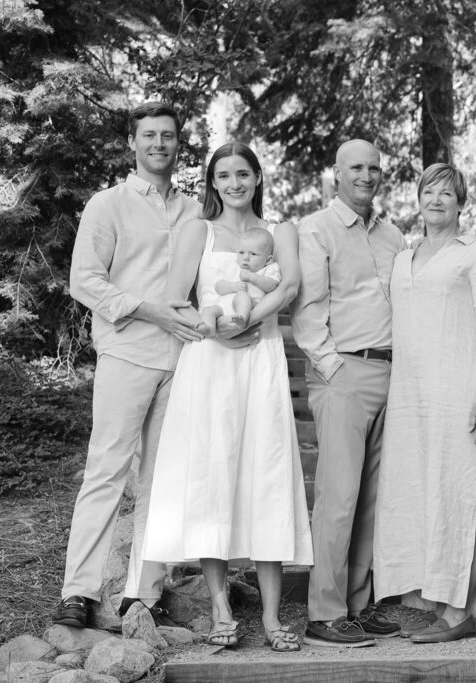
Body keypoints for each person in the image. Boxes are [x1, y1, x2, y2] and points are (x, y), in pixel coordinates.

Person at [142, 141, 312, 652]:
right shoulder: (199, 229)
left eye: (243, 173)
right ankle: (220, 610)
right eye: (223, 175)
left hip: (260, 358)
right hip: (210, 363)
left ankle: (272, 618)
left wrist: (246, 324)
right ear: (212, 183)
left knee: (268, 476)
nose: (234, 183)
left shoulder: (280, 231)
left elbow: (289, 289)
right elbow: (175, 299)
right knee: (214, 476)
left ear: (258, 178)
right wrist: (219, 333)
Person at [56, 101, 202, 630]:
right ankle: (79, 591)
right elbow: (85, 280)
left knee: (162, 480)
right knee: (107, 471)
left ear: (177, 144)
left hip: (182, 359)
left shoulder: (194, 211)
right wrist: (148, 309)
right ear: (132, 143)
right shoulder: (108, 205)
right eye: (149, 135)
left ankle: (144, 592)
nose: (159, 144)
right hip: (127, 351)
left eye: (168, 135)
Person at [373, 163, 476, 644]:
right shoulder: (402, 258)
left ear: (460, 202)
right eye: (429, 191)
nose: (437, 200)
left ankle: (459, 612)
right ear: (418, 198)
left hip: (461, 392)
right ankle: (432, 596)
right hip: (412, 398)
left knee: (464, 492)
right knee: (424, 494)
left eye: (447, 193)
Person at [292, 139, 405, 647]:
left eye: (374, 167)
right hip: (344, 373)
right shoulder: (315, 230)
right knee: (337, 498)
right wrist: (333, 369)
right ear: (336, 173)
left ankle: (359, 604)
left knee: (373, 499)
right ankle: (324, 614)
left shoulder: (394, 235)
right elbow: (309, 308)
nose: (366, 174)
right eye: (356, 167)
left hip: (392, 373)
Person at [199, 228, 280, 336]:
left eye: (253, 254)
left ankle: (241, 319)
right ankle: (209, 329)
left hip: (250, 305)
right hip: (224, 306)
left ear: (268, 260)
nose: (245, 257)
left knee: (242, 296)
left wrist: (252, 277)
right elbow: (219, 287)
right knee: (208, 310)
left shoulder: (269, 268)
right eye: (241, 252)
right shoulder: (234, 265)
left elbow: (272, 285)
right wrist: (232, 287)